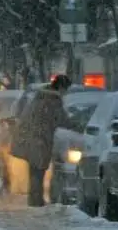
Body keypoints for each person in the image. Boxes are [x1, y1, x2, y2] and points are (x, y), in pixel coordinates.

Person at [11, 74, 83, 207]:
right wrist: (78, 126)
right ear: (61, 87)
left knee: (34, 169)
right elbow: (60, 119)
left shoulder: (41, 96)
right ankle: (36, 201)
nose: (65, 92)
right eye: (65, 89)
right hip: (39, 139)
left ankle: (35, 199)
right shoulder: (52, 99)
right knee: (38, 170)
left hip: (30, 138)